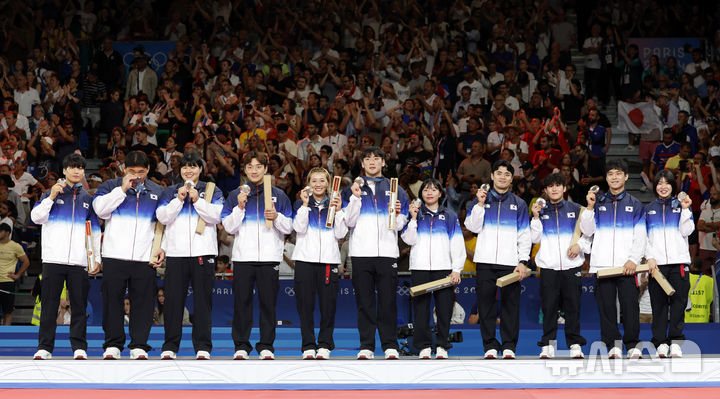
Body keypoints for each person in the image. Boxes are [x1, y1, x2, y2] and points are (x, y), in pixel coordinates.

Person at [93, 151, 165, 360]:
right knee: (112, 301)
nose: (137, 176)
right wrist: (122, 190)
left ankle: (139, 345)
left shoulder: (157, 191)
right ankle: (113, 344)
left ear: (149, 170)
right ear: (124, 169)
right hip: (114, 255)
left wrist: (164, 248)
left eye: (141, 172)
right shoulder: (110, 187)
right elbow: (100, 211)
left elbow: (165, 223)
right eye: (132, 171)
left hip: (145, 257)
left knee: (143, 302)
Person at [221, 151, 293, 360]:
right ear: (244, 170)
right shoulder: (236, 194)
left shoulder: (278, 194)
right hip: (243, 257)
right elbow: (228, 226)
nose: (254, 170)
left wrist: (277, 216)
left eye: (258, 166)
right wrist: (240, 207)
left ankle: (266, 346)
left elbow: (289, 226)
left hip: (270, 257)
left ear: (266, 168)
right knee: (241, 302)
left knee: (268, 303)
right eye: (250, 167)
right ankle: (241, 345)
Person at [341, 146, 409, 360]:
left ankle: (390, 345)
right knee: (365, 302)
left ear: (383, 163)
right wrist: (355, 198)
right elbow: (348, 222)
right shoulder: (350, 189)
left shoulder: (396, 187)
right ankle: (367, 346)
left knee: (388, 301)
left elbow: (399, 225)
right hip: (361, 252)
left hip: (388, 253)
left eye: (376, 158)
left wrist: (398, 213)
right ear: (362, 164)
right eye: (367, 158)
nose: (372, 161)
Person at [30, 154, 101, 360]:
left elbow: (94, 232)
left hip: (79, 261)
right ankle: (44, 347)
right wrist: (51, 197)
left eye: (80, 168)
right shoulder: (49, 194)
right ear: (64, 171)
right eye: (72, 167)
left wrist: (95, 258)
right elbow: (36, 218)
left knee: (79, 305)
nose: (76, 171)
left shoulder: (88, 199)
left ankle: (79, 347)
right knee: (49, 305)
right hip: (53, 259)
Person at [155, 152, 224, 360]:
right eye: (185, 167)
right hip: (176, 254)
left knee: (203, 302)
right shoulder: (170, 191)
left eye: (193, 167)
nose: (189, 170)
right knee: (173, 302)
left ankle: (203, 346)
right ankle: (170, 346)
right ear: (180, 170)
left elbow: (216, 216)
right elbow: (162, 217)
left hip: (204, 253)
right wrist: (179, 199)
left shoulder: (212, 190)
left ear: (200, 170)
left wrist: (197, 201)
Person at [464, 160, 531, 359]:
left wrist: (523, 261)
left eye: (507, 174)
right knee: (485, 306)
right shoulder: (480, 201)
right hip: (484, 261)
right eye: (499, 173)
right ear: (492, 176)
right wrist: (480, 204)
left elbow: (524, 235)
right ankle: (490, 346)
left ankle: (509, 346)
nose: (502, 177)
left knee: (510, 305)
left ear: (512, 179)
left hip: (510, 262)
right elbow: (473, 227)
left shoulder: (519, 204)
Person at [580, 160, 645, 359]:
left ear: (626, 176)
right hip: (603, 265)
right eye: (610, 174)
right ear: (606, 178)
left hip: (626, 266)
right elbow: (587, 231)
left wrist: (633, 259)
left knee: (630, 306)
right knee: (606, 307)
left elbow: (640, 235)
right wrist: (590, 208)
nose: (614, 177)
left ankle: (632, 344)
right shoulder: (598, 202)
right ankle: (612, 345)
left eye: (618, 173)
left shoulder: (635, 204)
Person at [401, 178, 465, 359]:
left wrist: (456, 269)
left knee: (444, 309)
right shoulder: (414, 214)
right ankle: (424, 347)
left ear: (440, 193)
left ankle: (443, 345)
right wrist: (413, 219)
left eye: (434, 189)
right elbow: (408, 240)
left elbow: (457, 243)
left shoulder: (450, 215)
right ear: (421, 193)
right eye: (426, 189)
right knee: (421, 310)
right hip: (420, 268)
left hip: (443, 268)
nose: (429, 192)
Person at [530, 173, 588, 359]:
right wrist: (536, 217)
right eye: (550, 186)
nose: (554, 189)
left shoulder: (577, 209)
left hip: (572, 266)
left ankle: (575, 345)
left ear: (565, 188)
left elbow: (589, 234)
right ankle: (548, 345)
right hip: (549, 267)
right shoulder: (541, 210)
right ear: (546, 190)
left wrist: (580, 246)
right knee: (549, 307)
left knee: (573, 307)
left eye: (558, 185)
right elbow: (534, 238)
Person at [291, 167, 348, 360]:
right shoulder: (301, 203)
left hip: (328, 261)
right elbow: (298, 228)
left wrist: (339, 211)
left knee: (328, 306)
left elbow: (340, 234)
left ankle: (324, 344)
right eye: (314, 180)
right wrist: (305, 206)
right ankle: (308, 345)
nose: (318, 184)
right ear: (308, 183)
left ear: (328, 183)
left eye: (322, 180)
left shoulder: (335, 204)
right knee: (305, 306)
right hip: (305, 261)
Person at [644, 169, 693, 358]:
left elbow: (687, 231)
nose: (663, 187)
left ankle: (676, 342)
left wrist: (686, 208)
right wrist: (649, 257)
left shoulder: (681, 206)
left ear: (673, 186)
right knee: (659, 305)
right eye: (659, 183)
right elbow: (645, 238)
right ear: (655, 187)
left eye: (667, 183)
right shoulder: (648, 209)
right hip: (657, 265)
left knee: (679, 304)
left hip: (679, 262)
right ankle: (660, 343)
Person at [0, 222, 30, 326]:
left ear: (7, 232)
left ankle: (5, 335)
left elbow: (26, 262)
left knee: (7, 311)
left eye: (1, 231)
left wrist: (17, 275)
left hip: (7, 282)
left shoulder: (15, 246)